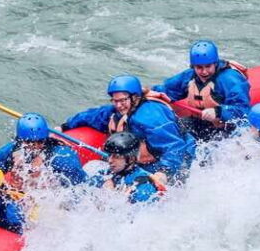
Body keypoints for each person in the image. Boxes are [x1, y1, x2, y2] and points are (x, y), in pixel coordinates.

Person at [62, 74, 196, 185]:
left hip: (175, 161)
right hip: (137, 162)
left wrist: (164, 172)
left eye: (122, 100)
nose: (118, 105)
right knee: (98, 175)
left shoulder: (151, 117)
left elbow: (174, 147)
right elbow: (93, 116)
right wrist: (65, 126)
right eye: (115, 101)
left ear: (135, 97)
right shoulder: (118, 112)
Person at [151, 40, 251, 141]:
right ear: (193, 66)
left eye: (208, 66)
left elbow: (243, 110)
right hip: (198, 123)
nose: (204, 72)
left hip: (226, 126)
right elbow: (166, 90)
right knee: (170, 130)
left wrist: (218, 112)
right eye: (199, 67)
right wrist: (147, 93)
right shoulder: (189, 76)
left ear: (215, 64)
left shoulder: (230, 79)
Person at [0, 112, 86, 191]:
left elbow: (82, 187)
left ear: (45, 139)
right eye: (29, 142)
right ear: (20, 140)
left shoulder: (62, 158)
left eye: (39, 141)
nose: (35, 146)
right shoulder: (9, 151)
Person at [88, 132, 160, 204]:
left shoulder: (143, 186)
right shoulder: (106, 174)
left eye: (116, 157)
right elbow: (85, 189)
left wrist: (112, 198)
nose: (110, 160)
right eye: (109, 155)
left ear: (131, 159)